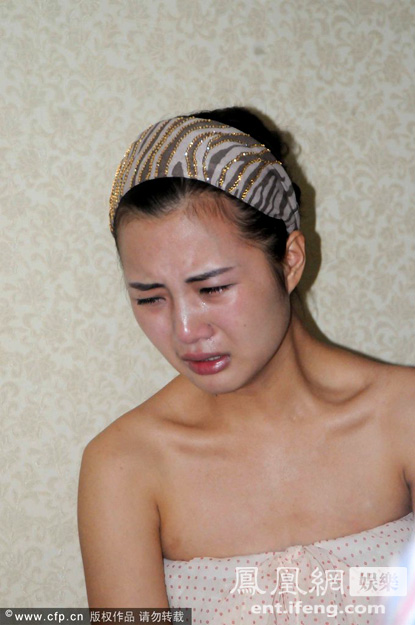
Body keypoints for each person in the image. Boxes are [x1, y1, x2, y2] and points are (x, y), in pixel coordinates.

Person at [77, 108, 415, 624]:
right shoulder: (125, 466)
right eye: (150, 298)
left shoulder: (402, 416)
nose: (185, 330)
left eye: (212, 288)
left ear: (290, 260)